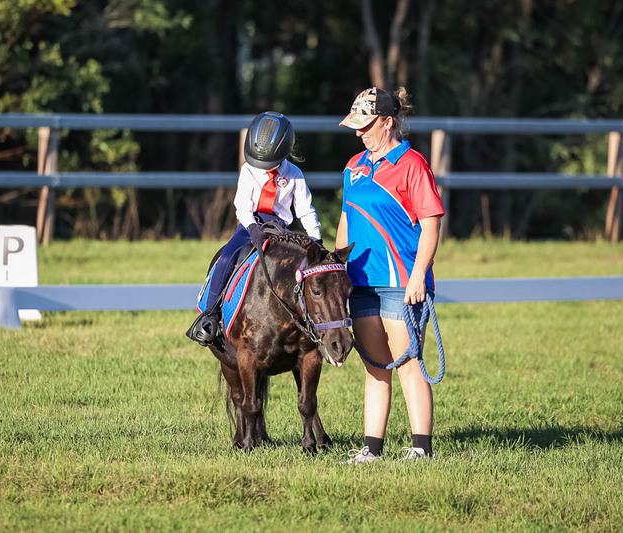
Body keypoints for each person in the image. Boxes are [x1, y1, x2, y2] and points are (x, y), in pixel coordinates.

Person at [335, 87, 445, 464]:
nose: (358, 133)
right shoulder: (353, 166)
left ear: (388, 122)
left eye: (365, 126)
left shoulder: (413, 164)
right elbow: (346, 220)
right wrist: (339, 272)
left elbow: (431, 226)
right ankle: (372, 449)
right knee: (375, 366)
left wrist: (418, 277)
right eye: (356, 126)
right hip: (362, 283)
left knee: (408, 364)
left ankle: (421, 449)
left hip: (401, 282)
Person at [186, 111, 322, 346]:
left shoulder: (294, 175)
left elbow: (305, 211)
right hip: (251, 224)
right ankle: (210, 314)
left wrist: (315, 240)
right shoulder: (248, 170)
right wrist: (251, 228)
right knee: (227, 257)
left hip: (280, 228)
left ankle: (308, 323)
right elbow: (242, 206)